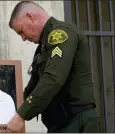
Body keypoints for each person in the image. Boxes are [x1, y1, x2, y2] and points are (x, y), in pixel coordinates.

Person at [6, 1, 101, 133]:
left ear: (30, 16)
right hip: (61, 124)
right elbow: (33, 86)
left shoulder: (61, 34)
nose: (23, 38)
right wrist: (11, 109)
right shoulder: (42, 48)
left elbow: (52, 79)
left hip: (77, 123)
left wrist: (22, 115)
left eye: (21, 31)